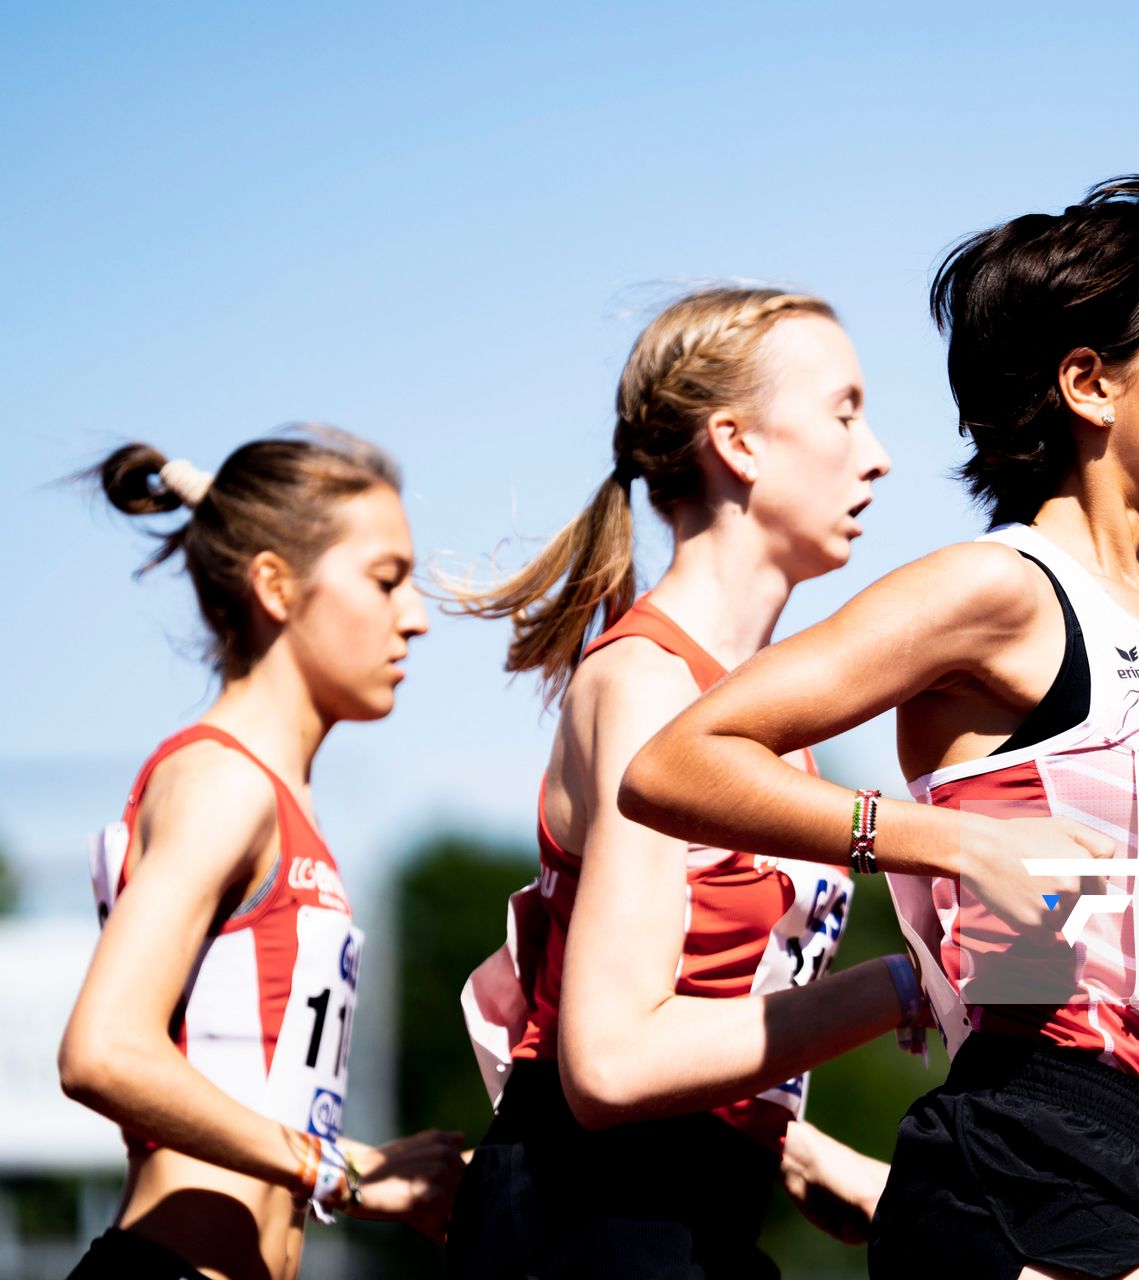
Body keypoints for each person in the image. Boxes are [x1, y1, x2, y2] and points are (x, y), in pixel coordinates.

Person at [621, 178, 1139, 1279]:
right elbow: (673, 762)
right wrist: (948, 838)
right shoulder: (997, 590)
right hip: (1015, 1154)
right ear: (1090, 382)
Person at [442, 285, 919, 1279]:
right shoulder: (655, 688)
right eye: (844, 410)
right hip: (586, 1223)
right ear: (737, 443)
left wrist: (798, 1148)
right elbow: (610, 1062)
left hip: (688, 1209)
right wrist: (910, 982)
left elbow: (704, 1004)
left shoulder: (764, 718)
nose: (876, 452)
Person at [59, 429, 467, 1280]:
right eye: (386, 580)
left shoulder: (278, 797)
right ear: (276, 585)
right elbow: (103, 1050)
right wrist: (344, 1171)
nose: (417, 616)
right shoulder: (222, 783)